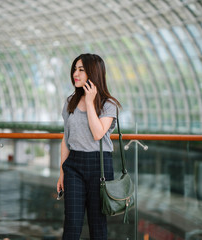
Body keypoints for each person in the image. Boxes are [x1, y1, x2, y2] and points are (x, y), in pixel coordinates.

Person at [57, 53, 121, 239]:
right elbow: (66, 139)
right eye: (75, 69)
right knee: (71, 224)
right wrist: (62, 172)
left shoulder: (109, 105)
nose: (75, 74)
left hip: (99, 166)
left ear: (93, 73)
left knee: (97, 225)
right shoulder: (70, 102)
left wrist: (91, 102)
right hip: (74, 165)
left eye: (81, 70)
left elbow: (97, 133)